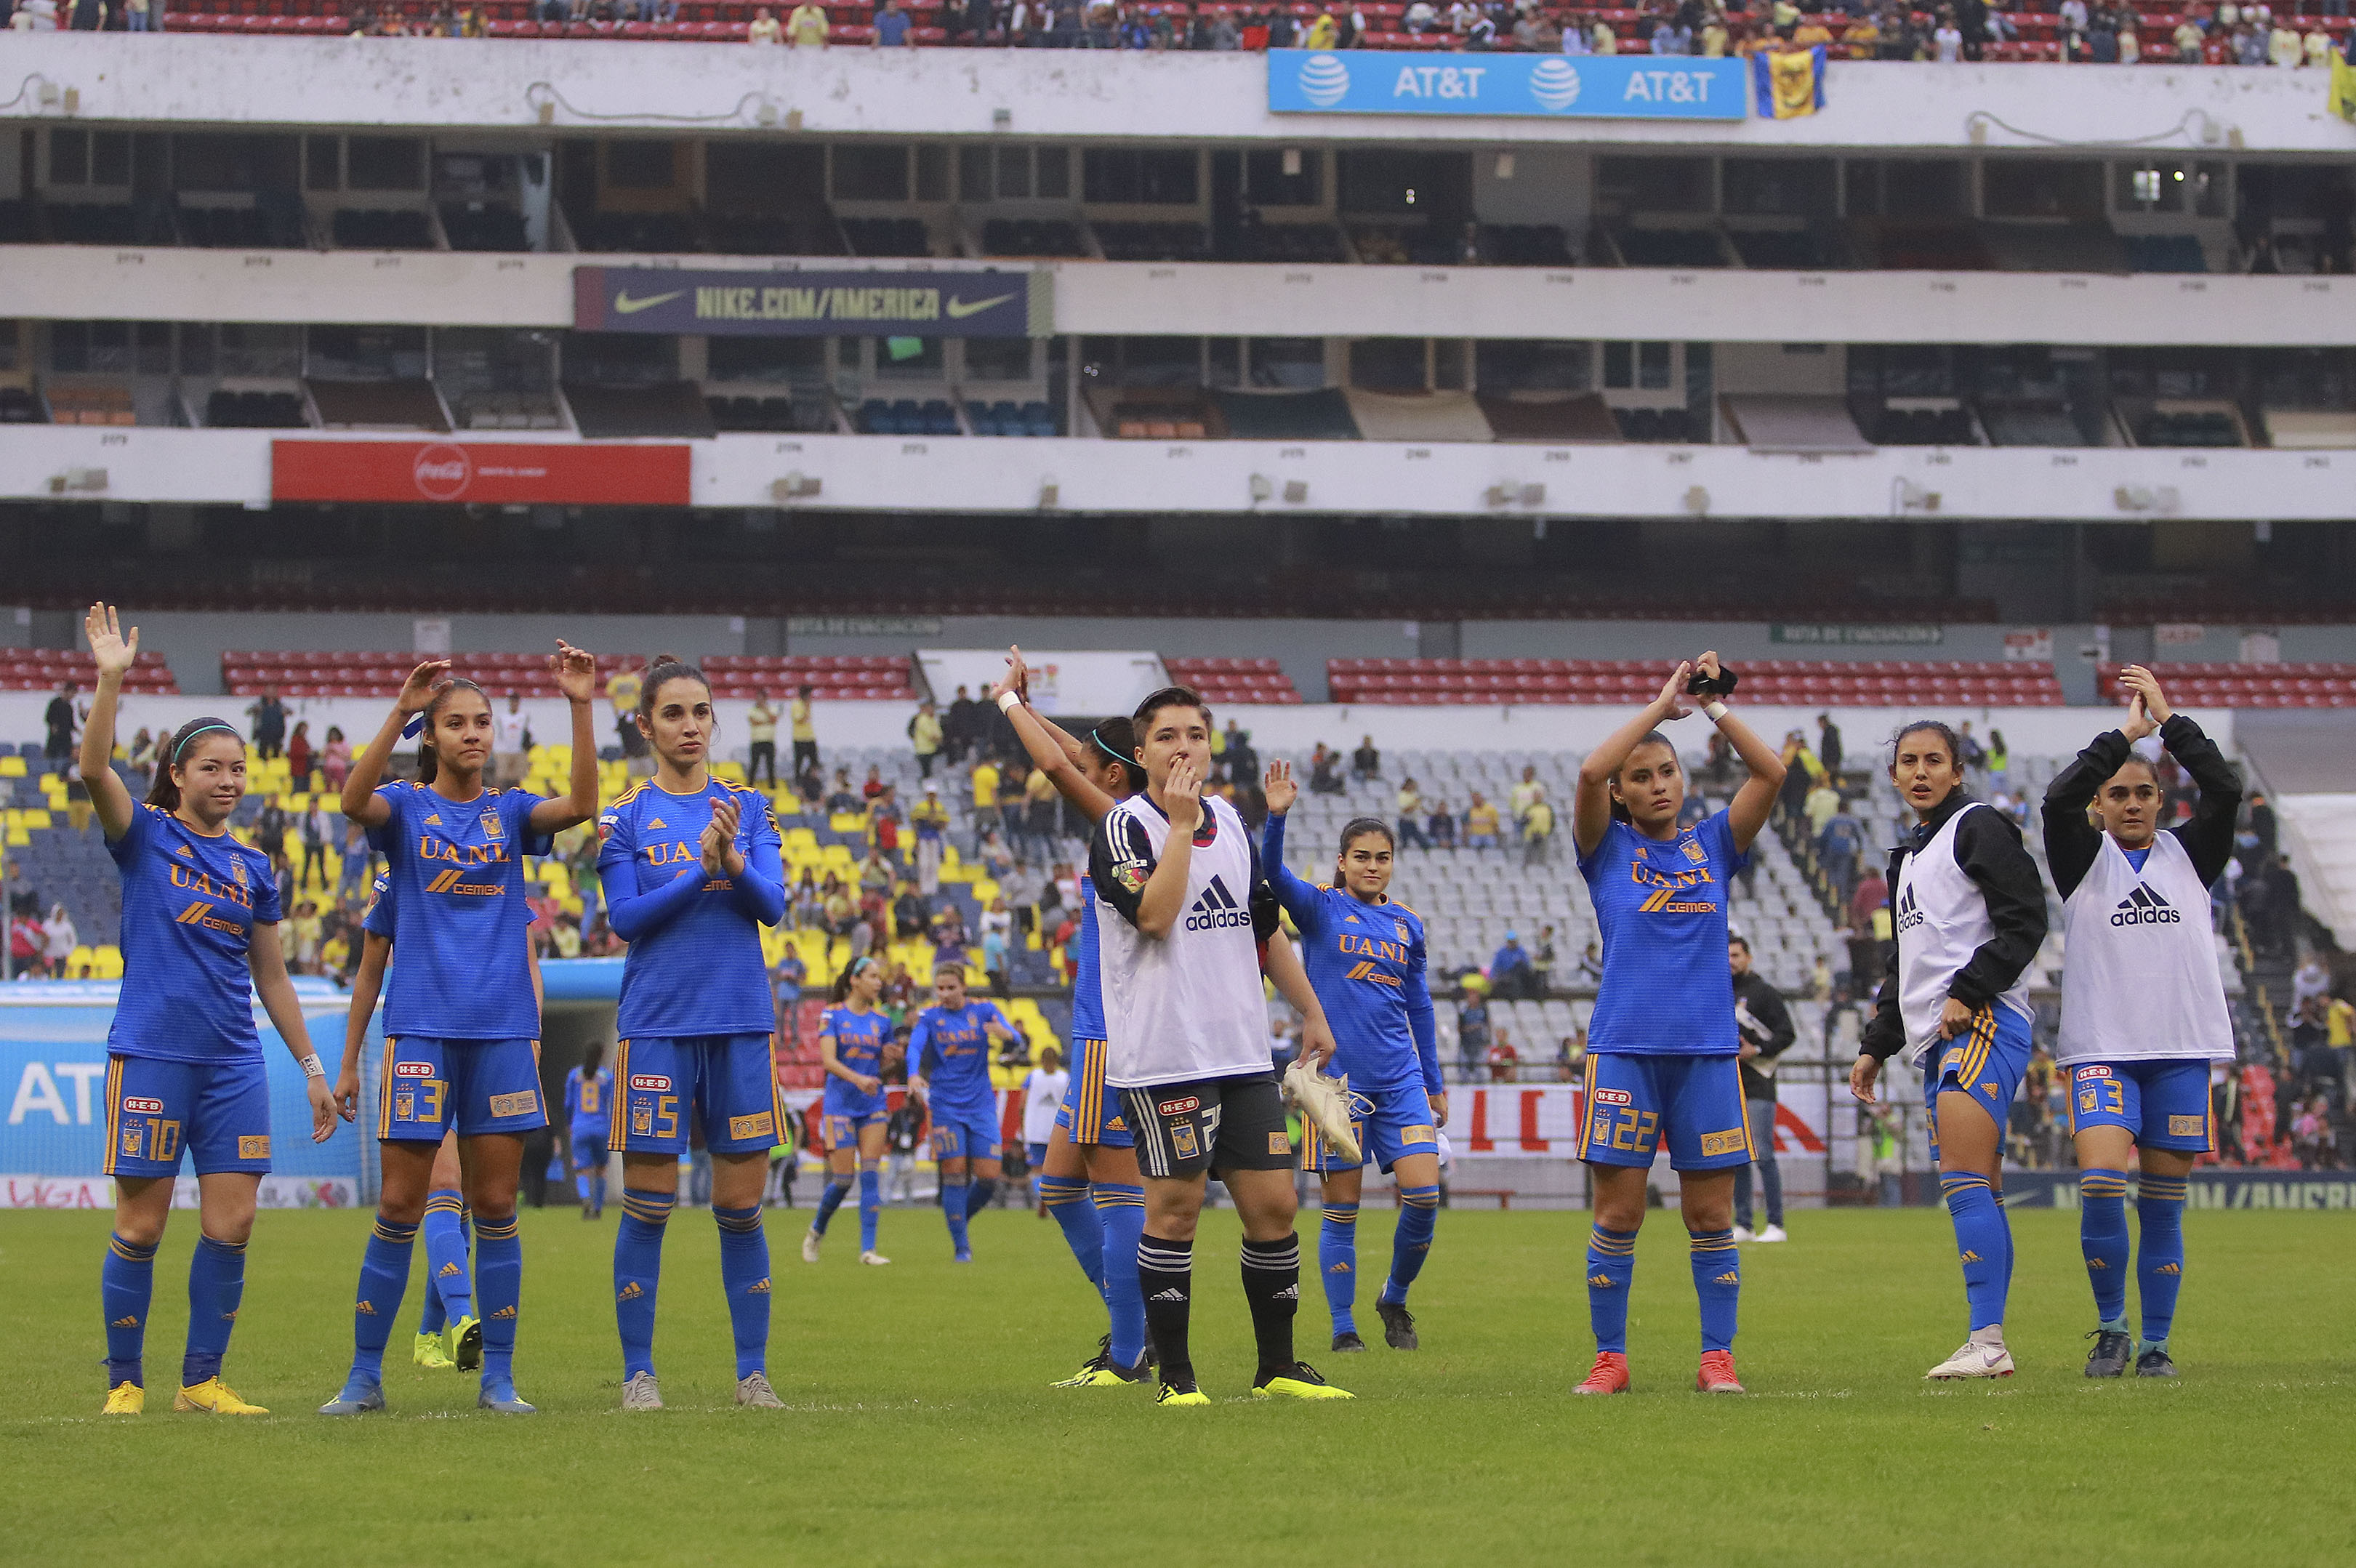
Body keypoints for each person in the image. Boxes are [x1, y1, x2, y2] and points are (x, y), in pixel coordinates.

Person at [319, 640, 600, 1418]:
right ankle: (364, 1377)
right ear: (433, 738)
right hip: (421, 1032)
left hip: (503, 1034)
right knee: (402, 1206)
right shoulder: (406, 812)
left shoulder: (510, 816)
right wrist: (399, 710)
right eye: (456, 723)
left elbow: (580, 808)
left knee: (499, 1204)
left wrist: (580, 704)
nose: (474, 734)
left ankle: (498, 1379)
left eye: (482, 723)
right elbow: (350, 801)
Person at [81, 606, 337, 1417]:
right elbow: (93, 770)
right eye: (212, 769)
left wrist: (312, 1069)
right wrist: (112, 678)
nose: (228, 781)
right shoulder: (146, 836)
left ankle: (201, 1381)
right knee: (143, 1224)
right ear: (180, 775)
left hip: (234, 1065)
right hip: (154, 1051)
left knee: (233, 1224)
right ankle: (126, 1381)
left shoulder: (256, 866)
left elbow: (275, 978)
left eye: (237, 770)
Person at [1091, 685, 1351, 1405]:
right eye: (1168, 736)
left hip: (1239, 1053)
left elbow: (1262, 927)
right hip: (1165, 1055)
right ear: (1141, 754)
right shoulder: (1124, 827)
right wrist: (1177, 828)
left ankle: (1277, 1368)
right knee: (1174, 1211)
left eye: (1196, 734)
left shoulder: (1232, 821)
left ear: (1211, 745)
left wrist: (1311, 1010)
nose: (1185, 747)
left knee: (1273, 1206)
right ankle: (1176, 1379)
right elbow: (1153, 916)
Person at [1570, 654, 1785, 1396]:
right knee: (1619, 1210)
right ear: (1624, 795)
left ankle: (1716, 1358)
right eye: (1642, 777)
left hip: (1704, 1056)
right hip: (1625, 1052)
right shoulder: (1605, 851)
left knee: (1710, 1212)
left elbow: (1771, 775)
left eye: (1666, 772)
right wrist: (1658, 708)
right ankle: (1609, 1359)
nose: (1657, 784)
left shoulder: (1713, 846)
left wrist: (1716, 708)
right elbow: (1587, 774)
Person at [596, 656, 791, 1410]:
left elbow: (770, 905)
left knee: (740, 1209)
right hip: (658, 1026)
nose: (689, 725)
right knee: (649, 1207)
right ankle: (639, 1374)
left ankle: (752, 1374)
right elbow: (625, 920)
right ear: (645, 724)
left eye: (700, 711)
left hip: (739, 1023)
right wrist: (697, 872)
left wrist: (733, 861)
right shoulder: (625, 816)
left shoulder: (749, 806)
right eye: (673, 713)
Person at [2043, 667, 2238, 1380]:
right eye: (2117, 793)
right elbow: (2055, 796)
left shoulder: (2191, 854)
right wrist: (2126, 733)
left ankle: (2155, 1344)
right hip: (2101, 1050)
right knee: (2099, 1182)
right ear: (2099, 803)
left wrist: (2170, 722)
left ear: (2161, 800)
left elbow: (2226, 790)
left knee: (2162, 1207)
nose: (2130, 803)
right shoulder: (2080, 856)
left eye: (2143, 792)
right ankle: (2110, 1330)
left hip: (2181, 1052)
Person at [1852, 719, 2048, 1382]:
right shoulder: (1907, 856)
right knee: (1981, 1189)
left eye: (1933, 760)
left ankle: (1986, 1340)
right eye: (1907, 761)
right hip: (1940, 1034)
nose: (1919, 772)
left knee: (1963, 1182)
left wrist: (1971, 989)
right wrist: (1875, 1045)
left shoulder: (1978, 826)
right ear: (1892, 774)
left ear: (1957, 771)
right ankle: (1987, 1338)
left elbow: (2026, 916)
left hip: (1981, 1021)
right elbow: (1901, 963)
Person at [993, 651, 1156, 1386]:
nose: (1073, 761)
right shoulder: (1130, 812)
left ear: (1113, 774)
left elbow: (1061, 767)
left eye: (1094, 760)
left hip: (1110, 1030)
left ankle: (1130, 1351)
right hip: (1100, 1026)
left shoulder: (1122, 822)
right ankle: (1139, 1326)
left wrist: (1005, 706)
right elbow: (1071, 755)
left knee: (1117, 1191)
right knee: (1059, 1188)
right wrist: (1028, 708)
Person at [1262, 766, 1444, 1355]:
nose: (1372, 865)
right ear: (1341, 861)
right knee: (1341, 1207)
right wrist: (1277, 815)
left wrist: (1435, 1083)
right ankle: (1344, 1327)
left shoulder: (1407, 923)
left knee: (1422, 1194)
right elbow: (1270, 875)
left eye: (1382, 857)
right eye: (1361, 856)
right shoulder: (1319, 909)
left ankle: (1393, 1295)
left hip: (1401, 1080)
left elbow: (1419, 1006)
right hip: (1336, 1086)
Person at [345, 867, 538, 1375]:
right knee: (443, 1190)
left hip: (493, 1047)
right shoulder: (398, 872)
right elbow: (369, 969)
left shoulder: (499, 859)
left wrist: (531, 1035)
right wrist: (347, 1063)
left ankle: (431, 1333)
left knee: (479, 1203)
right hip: (424, 1044)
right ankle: (459, 1317)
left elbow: (526, 957)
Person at [909, 961, 1018, 1261]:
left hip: (981, 1105)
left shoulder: (983, 1011)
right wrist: (912, 1073)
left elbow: (1015, 1037)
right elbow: (915, 1047)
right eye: (940, 988)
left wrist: (1004, 1033)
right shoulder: (930, 1017)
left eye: (950, 988)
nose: (944, 994)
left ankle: (957, 1221)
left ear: (964, 987)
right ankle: (962, 1247)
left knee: (989, 1177)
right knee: (954, 1174)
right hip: (945, 1105)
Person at [805, 957, 895, 1266]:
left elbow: (881, 1066)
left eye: (879, 977)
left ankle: (868, 1249)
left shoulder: (882, 1021)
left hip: (872, 1106)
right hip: (841, 1105)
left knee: (871, 1174)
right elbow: (828, 1062)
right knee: (843, 1180)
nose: (878, 982)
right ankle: (816, 1231)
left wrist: (893, 1059)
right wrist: (859, 1079)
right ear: (854, 980)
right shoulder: (832, 1016)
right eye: (872, 976)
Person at [1728, 935, 1794, 1244]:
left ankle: (1775, 1223)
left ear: (1749, 957)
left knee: (1763, 1154)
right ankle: (1743, 1222)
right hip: (1729, 1083)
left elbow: (1787, 1034)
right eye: (1727, 955)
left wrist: (1758, 1049)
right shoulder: (1719, 990)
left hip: (1759, 1082)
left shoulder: (1764, 993)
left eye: (1737, 955)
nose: (1731, 961)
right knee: (1737, 1155)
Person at [563, 1043, 614, 1221]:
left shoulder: (574, 1075)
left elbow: (568, 1104)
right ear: (602, 1054)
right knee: (601, 1169)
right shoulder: (607, 1076)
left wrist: (570, 1123)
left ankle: (585, 1198)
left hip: (580, 1126)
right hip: (601, 1127)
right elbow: (613, 1102)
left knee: (582, 1169)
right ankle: (598, 1207)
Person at [1021, 1045, 1068, 1209]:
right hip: (1057, 1130)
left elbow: (1021, 1103)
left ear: (1041, 1060)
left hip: (1035, 1130)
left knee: (1036, 1170)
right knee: (1057, 1170)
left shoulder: (1032, 1077)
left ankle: (1043, 1197)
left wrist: (1022, 1126)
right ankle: (1052, 1199)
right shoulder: (1064, 1078)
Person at [491, 692, 528, 790]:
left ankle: (517, 797)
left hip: (518, 750)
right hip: (504, 750)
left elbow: (527, 733)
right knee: (501, 777)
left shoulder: (524, 717)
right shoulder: (502, 717)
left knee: (517, 778)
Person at [747, 691, 779, 789]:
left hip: (769, 741)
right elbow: (753, 722)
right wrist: (766, 721)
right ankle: (750, 785)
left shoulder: (772, 709)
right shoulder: (752, 710)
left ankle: (772, 787)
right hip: (756, 741)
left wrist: (765, 710)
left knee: (770, 765)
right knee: (754, 764)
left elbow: (774, 720)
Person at [44, 682, 79, 775]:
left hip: (66, 739)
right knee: (53, 760)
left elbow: (71, 723)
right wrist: (53, 726)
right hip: (55, 739)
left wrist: (78, 730)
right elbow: (48, 718)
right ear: (67, 691)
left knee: (66, 760)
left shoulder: (69, 707)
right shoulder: (55, 703)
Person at [246, 687, 286, 763]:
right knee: (262, 755)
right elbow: (248, 711)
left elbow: (290, 711)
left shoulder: (280, 704)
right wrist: (255, 710)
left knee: (276, 756)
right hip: (263, 732)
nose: (271, 694)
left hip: (277, 733)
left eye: (273, 692)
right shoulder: (260, 703)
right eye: (269, 691)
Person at [789, 686, 819, 779]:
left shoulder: (808, 705)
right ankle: (798, 784)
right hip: (799, 738)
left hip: (810, 737)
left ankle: (813, 781)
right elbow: (800, 720)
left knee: (814, 762)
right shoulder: (796, 705)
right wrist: (806, 708)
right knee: (799, 764)